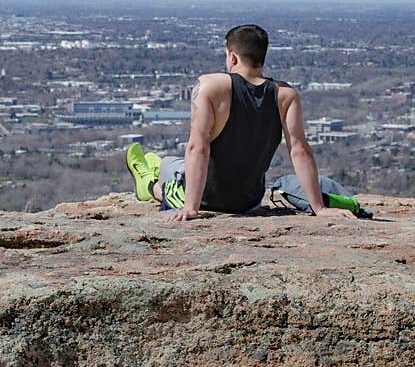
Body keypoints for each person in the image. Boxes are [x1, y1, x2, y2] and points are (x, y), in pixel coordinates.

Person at [125, 24, 356, 222]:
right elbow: (300, 151)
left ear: (232, 56)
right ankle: (157, 167)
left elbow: (198, 147)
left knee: (168, 166)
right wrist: (319, 208)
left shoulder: (210, 86)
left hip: (205, 199)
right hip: (249, 202)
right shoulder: (286, 95)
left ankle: (147, 183)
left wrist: (191, 207)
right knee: (173, 164)